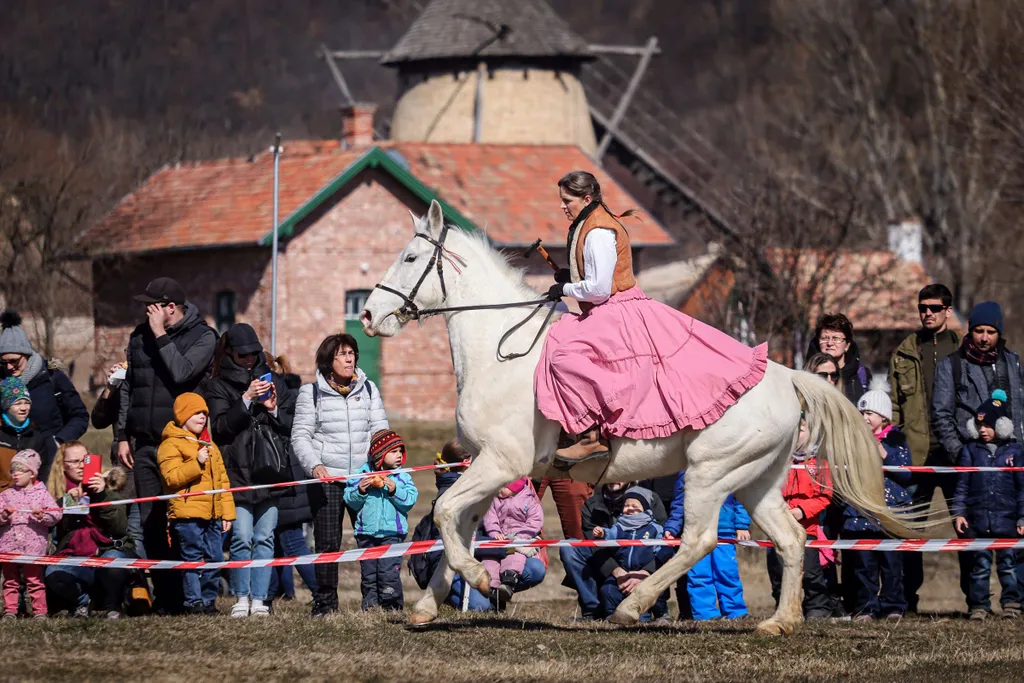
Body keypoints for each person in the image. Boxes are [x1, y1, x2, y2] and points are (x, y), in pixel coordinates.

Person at [535, 171, 767, 467]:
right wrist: (571, 277)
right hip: (607, 307)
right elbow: (595, 277)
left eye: (567, 201)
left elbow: (599, 289)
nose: (562, 207)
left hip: (614, 309)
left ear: (587, 199)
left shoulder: (597, 232)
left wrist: (565, 288)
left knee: (564, 356)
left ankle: (595, 436)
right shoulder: (588, 224)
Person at [120, 277, 217, 613]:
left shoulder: (204, 336)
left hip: (183, 446)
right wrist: (121, 435)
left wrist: (160, 333)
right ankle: (168, 597)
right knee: (151, 523)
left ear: (169, 307)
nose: (146, 311)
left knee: (186, 524)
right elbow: (129, 387)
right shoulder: (137, 337)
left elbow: (181, 373)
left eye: (152, 305)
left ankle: (198, 598)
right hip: (145, 444)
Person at [291, 332, 388, 618]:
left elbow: (380, 431)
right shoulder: (311, 393)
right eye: (342, 354)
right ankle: (325, 604)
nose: (349, 359)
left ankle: (374, 602)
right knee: (328, 544)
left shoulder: (369, 389)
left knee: (371, 539)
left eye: (352, 353)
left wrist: (380, 466)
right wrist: (314, 466)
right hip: (328, 480)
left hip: (364, 480)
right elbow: (300, 436)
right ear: (328, 360)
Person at [206, 324, 295, 619]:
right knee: (242, 537)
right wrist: (245, 400)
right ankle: (241, 597)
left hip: (270, 471)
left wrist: (271, 409)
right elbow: (220, 428)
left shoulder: (275, 382)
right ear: (229, 351)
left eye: (253, 354)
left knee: (265, 536)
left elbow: (290, 426)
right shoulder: (217, 385)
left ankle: (260, 599)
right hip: (238, 473)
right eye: (243, 354)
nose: (248, 359)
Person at [157, 393, 235, 615]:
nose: (202, 417)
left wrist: (227, 514)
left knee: (216, 558)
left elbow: (223, 481)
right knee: (191, 558)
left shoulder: (210, 445)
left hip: (213, 514)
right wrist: (196, 463)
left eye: (204, 413)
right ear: (183, 415)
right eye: (196, 412)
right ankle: (193, 602)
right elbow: (171, 477)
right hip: (187, 513)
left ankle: (209, 600)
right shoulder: (170, 444)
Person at [950, 390, 1024, 620]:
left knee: (1009, 565)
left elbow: (1023, 489)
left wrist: (1022, 517)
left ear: (1001, 425)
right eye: (979, 424)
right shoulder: (970, 451)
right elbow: (962, 485)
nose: (982, 429)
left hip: (1007, 521)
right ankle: (979, 605)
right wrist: (960, 512)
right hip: (978, 520)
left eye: (988, 425)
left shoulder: (1016, 452)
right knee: (979, 566)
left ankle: (1012, 603)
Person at [842, 380, 911, 620]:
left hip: (891, 511)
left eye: (869, 413)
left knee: (892, 563)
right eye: (860, 412)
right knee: (864, 564)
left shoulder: (896, 439)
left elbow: (906, 473)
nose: (863, 417)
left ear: (883, 416)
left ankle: (893, 605)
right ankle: (866, 607)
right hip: (861, 512)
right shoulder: (852, 440)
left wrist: (883, 453)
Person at [44, 441, 134, 619]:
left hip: (107, 551)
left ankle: (113, 604)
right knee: (54, 574)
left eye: (84, 460)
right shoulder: (57, 493)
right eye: (74, 461)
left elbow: (119, 527)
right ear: (63, 466)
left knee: (113, 562)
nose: (80, 466)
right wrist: (65, 501)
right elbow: (51, 525)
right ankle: (81, 602)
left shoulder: (109, 487)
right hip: (75, 557)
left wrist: (100, 495)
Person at [0, 311, 88, 481]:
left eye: (14, 361)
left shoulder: (52, 377)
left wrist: (58, 441)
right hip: (10, 467)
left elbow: (80, 416)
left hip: (50, 463)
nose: (9, 367)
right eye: (3, 363)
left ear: (27, 354)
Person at [559, 481, 666, 620]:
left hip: (642, 565)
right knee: (570, 548)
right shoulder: (592, 505)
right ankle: (592, 610)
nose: (613, 478)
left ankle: (660, 613)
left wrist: (645, 572)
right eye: (609, 474)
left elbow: (663, 543)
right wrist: (616, 571)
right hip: (607, 564)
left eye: (618, 473)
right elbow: (595, 545)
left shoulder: (650, 498)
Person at [343, 429, 417, 611]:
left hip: (393, 534)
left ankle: (392, 607)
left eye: (401, 451)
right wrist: (360, 490)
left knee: (388, 573)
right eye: (393, 452)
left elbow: (410, 500)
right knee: (369, 574)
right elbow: (350, 500)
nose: (399, 455)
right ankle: (370, 607)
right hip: (366, 534)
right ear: (379, 455)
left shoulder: (402, 477)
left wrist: (394, 490)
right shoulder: (361, 474)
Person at [769, 417, 834, 619]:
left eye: (802, 430)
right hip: (780, 527)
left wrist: (801, 511)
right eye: (794, 430)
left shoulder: (820, 464)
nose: (797, 435)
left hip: (808, 529)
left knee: (811, 571)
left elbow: (824, 496)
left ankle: (817, 607)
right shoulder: (779, 463)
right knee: (779, 571)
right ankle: (784, 607)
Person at [663, 472, 750, 621]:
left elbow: (743, 498)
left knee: (727, 572)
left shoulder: (730, 468)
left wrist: (742, 525)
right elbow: (678, 504)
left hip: (723, 532)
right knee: (699, 575)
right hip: (696, 533)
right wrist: (671, 528)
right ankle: (706, 614)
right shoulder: (686, 473)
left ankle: (736, 612)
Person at [0, 450, 62, 618]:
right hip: (9, 547)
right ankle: (10, 611)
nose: (15, 474)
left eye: (20, 470)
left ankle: (40, 612)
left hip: (33, 548)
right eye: (13, 470)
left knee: (35, 581)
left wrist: (42, 516)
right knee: (10, 582)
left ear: (32, 473)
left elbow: (56, 515)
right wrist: (4, 516)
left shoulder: (42, 494)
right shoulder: (5, 495)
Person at [593, 486, 664, 621]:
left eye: (635, 505)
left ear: (645, 508)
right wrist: (602, 533)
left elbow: (660, 548)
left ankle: (654, 616)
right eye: (627, 505)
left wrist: (650, 570)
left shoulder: (654, 528)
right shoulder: (619, 526)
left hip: (644, 572)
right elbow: (610, 535)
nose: (630, 508)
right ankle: (611, 615)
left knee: (654, 591)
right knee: (608, 589)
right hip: (623, 570)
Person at [481, 477, 544, 606]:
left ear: (514, 487)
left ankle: (509, 581)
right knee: (490, 560)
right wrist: (495, 533)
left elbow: (535, 521)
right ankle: (492, 590)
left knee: (514, 556)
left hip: (519, 540)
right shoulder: (494, 500)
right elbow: (490, 518)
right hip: (500, 539)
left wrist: (520, 537)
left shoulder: (529, 500)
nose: (499, 490)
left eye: (503, 487)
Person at [805, 313, 872, 405]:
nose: (830, 343)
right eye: (825, 338)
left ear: (847, 345)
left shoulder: (862, 375)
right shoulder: (806, 375)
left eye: (836, 338)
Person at [0, 376, 47, 493]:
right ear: (6, 406)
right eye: (17, 403)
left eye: (27, 403)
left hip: (28, 503)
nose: (23, 408)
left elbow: (43, 474)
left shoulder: (36, 437)